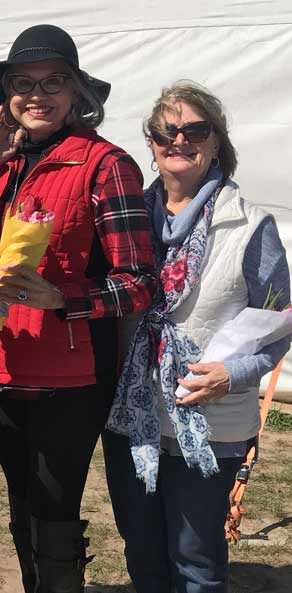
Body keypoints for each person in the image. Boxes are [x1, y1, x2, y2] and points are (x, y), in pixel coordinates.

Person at [0, 24, 157, 592]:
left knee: (53, 508)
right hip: (1, 367)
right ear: (7, 99)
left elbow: (139, 283)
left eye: (53, 81)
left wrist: (62, 298)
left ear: (77, 94)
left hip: (70, 378)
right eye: (22, 83)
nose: (36, 94)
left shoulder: (105, 165)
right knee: (21, 502)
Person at [103, 81, 291, 593]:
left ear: (216, 142)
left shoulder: (250, 227)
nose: (179, 139)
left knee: (196, 561)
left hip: (211, 423)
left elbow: (280, 322)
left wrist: (237, 373)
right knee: (142, 552)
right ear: (151, 141)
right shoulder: (126, 218)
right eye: (167, 129)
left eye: (195, 129)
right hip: (131, 420)